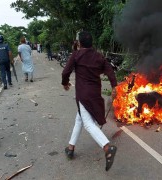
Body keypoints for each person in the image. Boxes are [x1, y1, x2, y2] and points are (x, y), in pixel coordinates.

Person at [61, 31, 118, 171]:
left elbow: (65, 72)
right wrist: (114, 86)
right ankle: (71, 147)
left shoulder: (76, 55)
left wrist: (65, 83)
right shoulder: (98, 56)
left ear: (79, 43)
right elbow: (110, 70)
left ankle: (107, 147)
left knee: (87, 124)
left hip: (83, 95)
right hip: (94, 94)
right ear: (91, 42)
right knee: (79, 119)